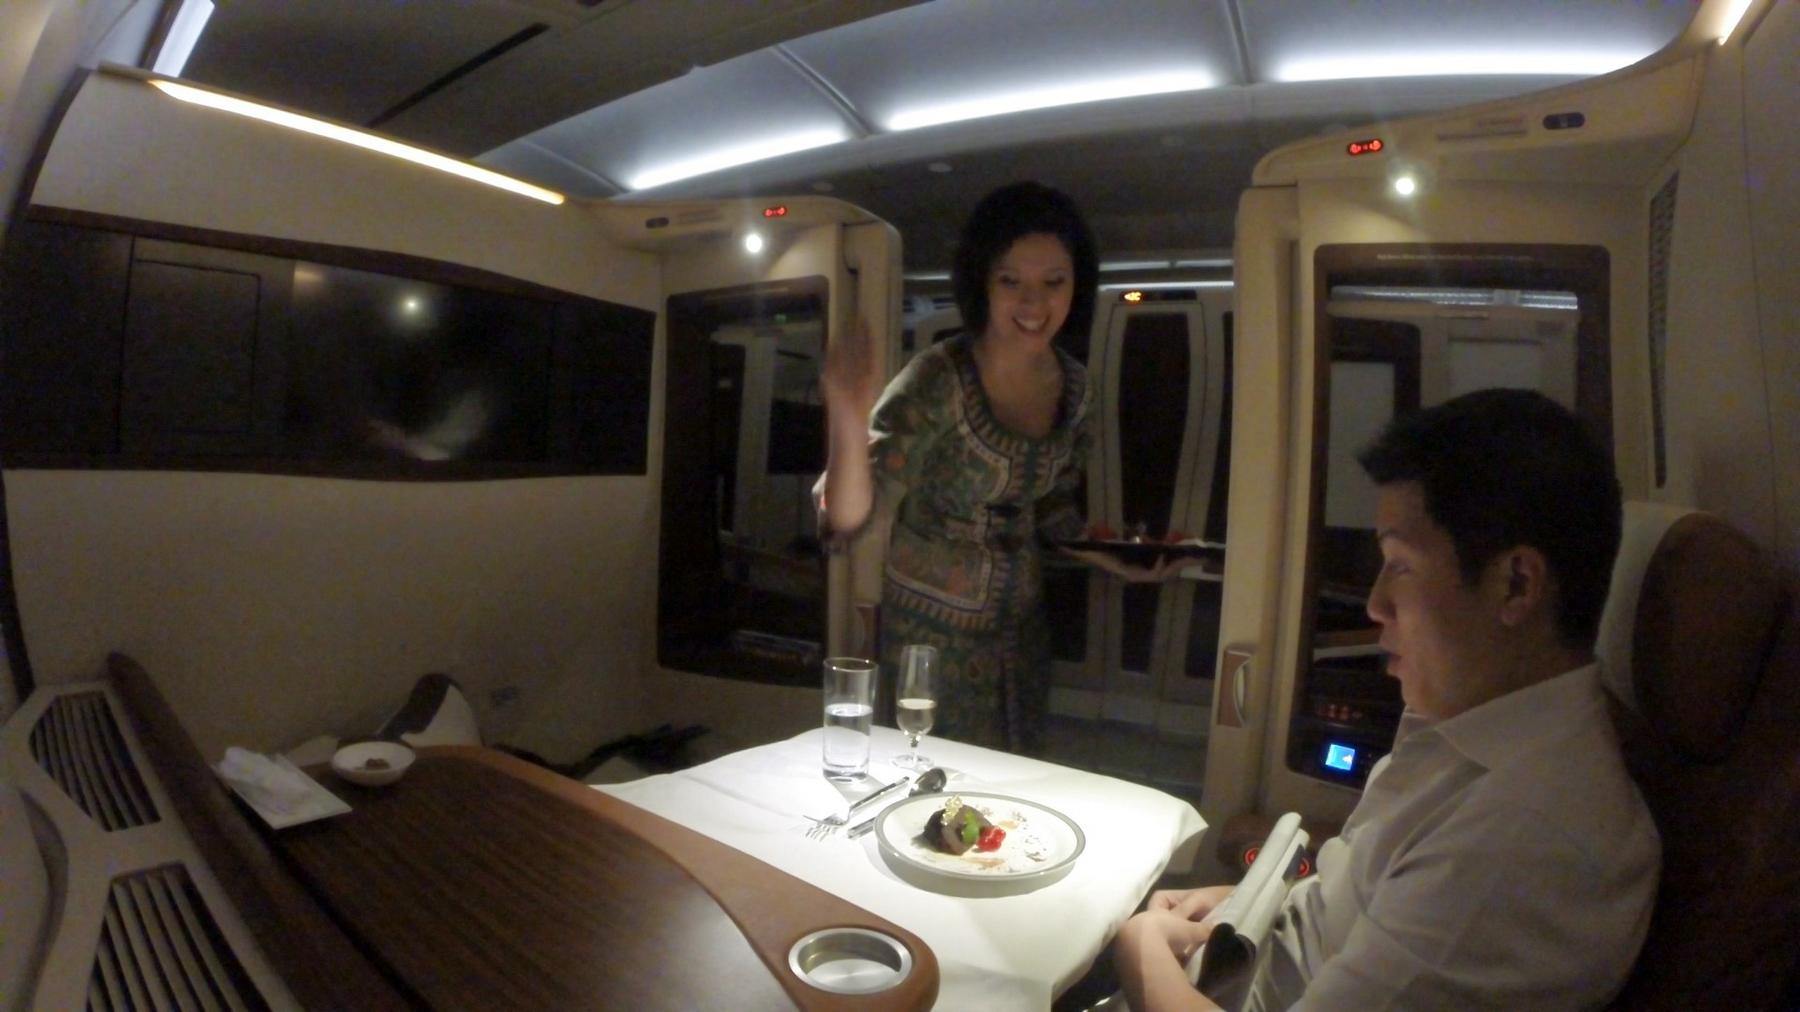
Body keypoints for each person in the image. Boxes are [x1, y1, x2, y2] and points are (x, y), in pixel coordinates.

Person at [1115, 388, 1660, 1010]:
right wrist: (1236, 909)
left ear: (1516, 584)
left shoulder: (1520, 847)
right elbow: (1360, 899)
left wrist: (1140, 947)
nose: (1374, 604)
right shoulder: (1469, 724)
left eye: (1399, 564)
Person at [819, 180, 1185, 754]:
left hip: (1019, 637)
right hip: (932, 644)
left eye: (1053, 282)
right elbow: (849, 515)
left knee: (1008, 793)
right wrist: (846, 414)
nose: (1034, 305)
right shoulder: (936, 379)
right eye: (1011, 280)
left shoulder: (1077, 388)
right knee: (931, 792)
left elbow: (1053, 510)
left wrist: (1122, 560)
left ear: (1077, 287)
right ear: (982, 283)